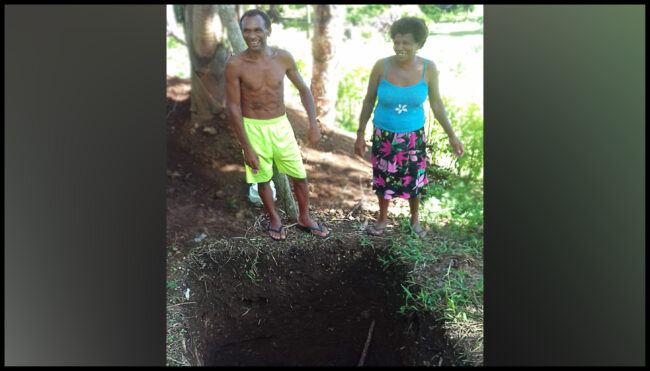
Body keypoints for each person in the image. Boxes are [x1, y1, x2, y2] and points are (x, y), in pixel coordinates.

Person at [355, 16, 465, 238]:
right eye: (397, 42)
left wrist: (452, 136)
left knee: (415, 178)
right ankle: (382, 218)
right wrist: (359, 133)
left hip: (413, 136)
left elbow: (436, 103)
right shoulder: (381, 66)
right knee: (382, 177)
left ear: (419, 44)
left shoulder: (428, 68)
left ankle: (414, 220)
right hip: (384, 134)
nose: (400, 47)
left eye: (406, 43)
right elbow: (368, 100)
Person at [225, 9, 330, 241]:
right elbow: (233, 107)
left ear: (268, 31)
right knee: (262, 178)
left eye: (257, 30)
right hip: (253, 128)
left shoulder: (283, 58)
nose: (252, 35)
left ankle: (304, 217)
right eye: (247, 31)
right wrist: (247, 148)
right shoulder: (235, 64)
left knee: (299, 175)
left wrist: (313, 124)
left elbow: (303, 89)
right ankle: (274, 218)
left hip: (281, 126)